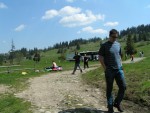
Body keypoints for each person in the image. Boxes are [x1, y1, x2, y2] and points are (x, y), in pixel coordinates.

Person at [99, 29, 126, 113]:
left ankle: (117, 103)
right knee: (109, 89)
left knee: (123, 87)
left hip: (119, 70)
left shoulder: (118, 44)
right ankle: (110, 107)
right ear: (109, 36)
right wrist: (105, 68)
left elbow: (119, 55)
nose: (115, 38)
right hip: (109, 71)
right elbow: (100, 57)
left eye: (116, 37)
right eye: (113, 37)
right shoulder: (104, 45)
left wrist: (121, 65)